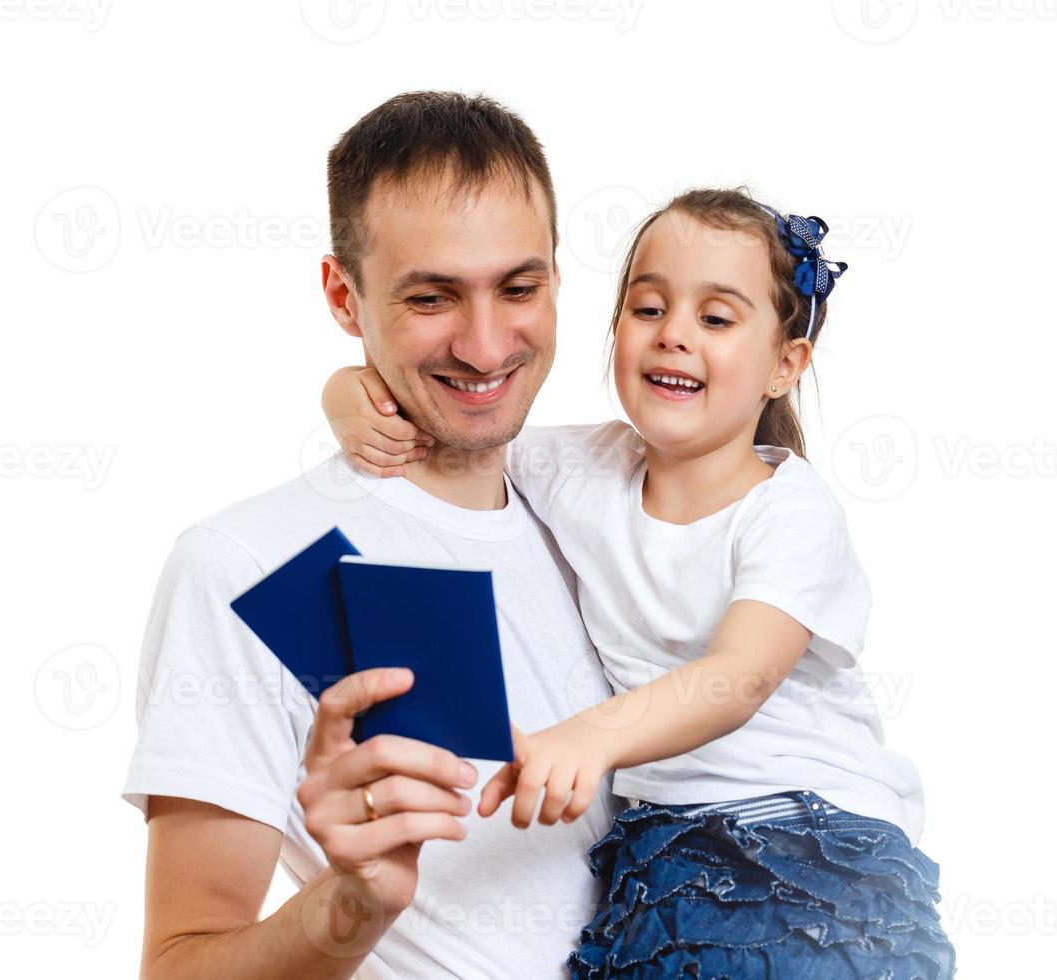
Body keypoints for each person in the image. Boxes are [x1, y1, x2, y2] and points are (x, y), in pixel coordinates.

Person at [323, 188, 957, 977]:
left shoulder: (788, 508)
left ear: (784, 365)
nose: (674, 338)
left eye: (716, 320)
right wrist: (346, 395)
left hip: (804, 843)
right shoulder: (584, 468)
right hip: (663, 855)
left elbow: (738, 676)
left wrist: (591, 736)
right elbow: (452, 435)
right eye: (648, 308)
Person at [122, 91, 619, 980]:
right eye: (431, 296)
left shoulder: (605, 506)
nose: (484, 343)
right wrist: (350, 907)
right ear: (342, 297)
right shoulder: (252, 567)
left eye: (519, 286)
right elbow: (178, 966)